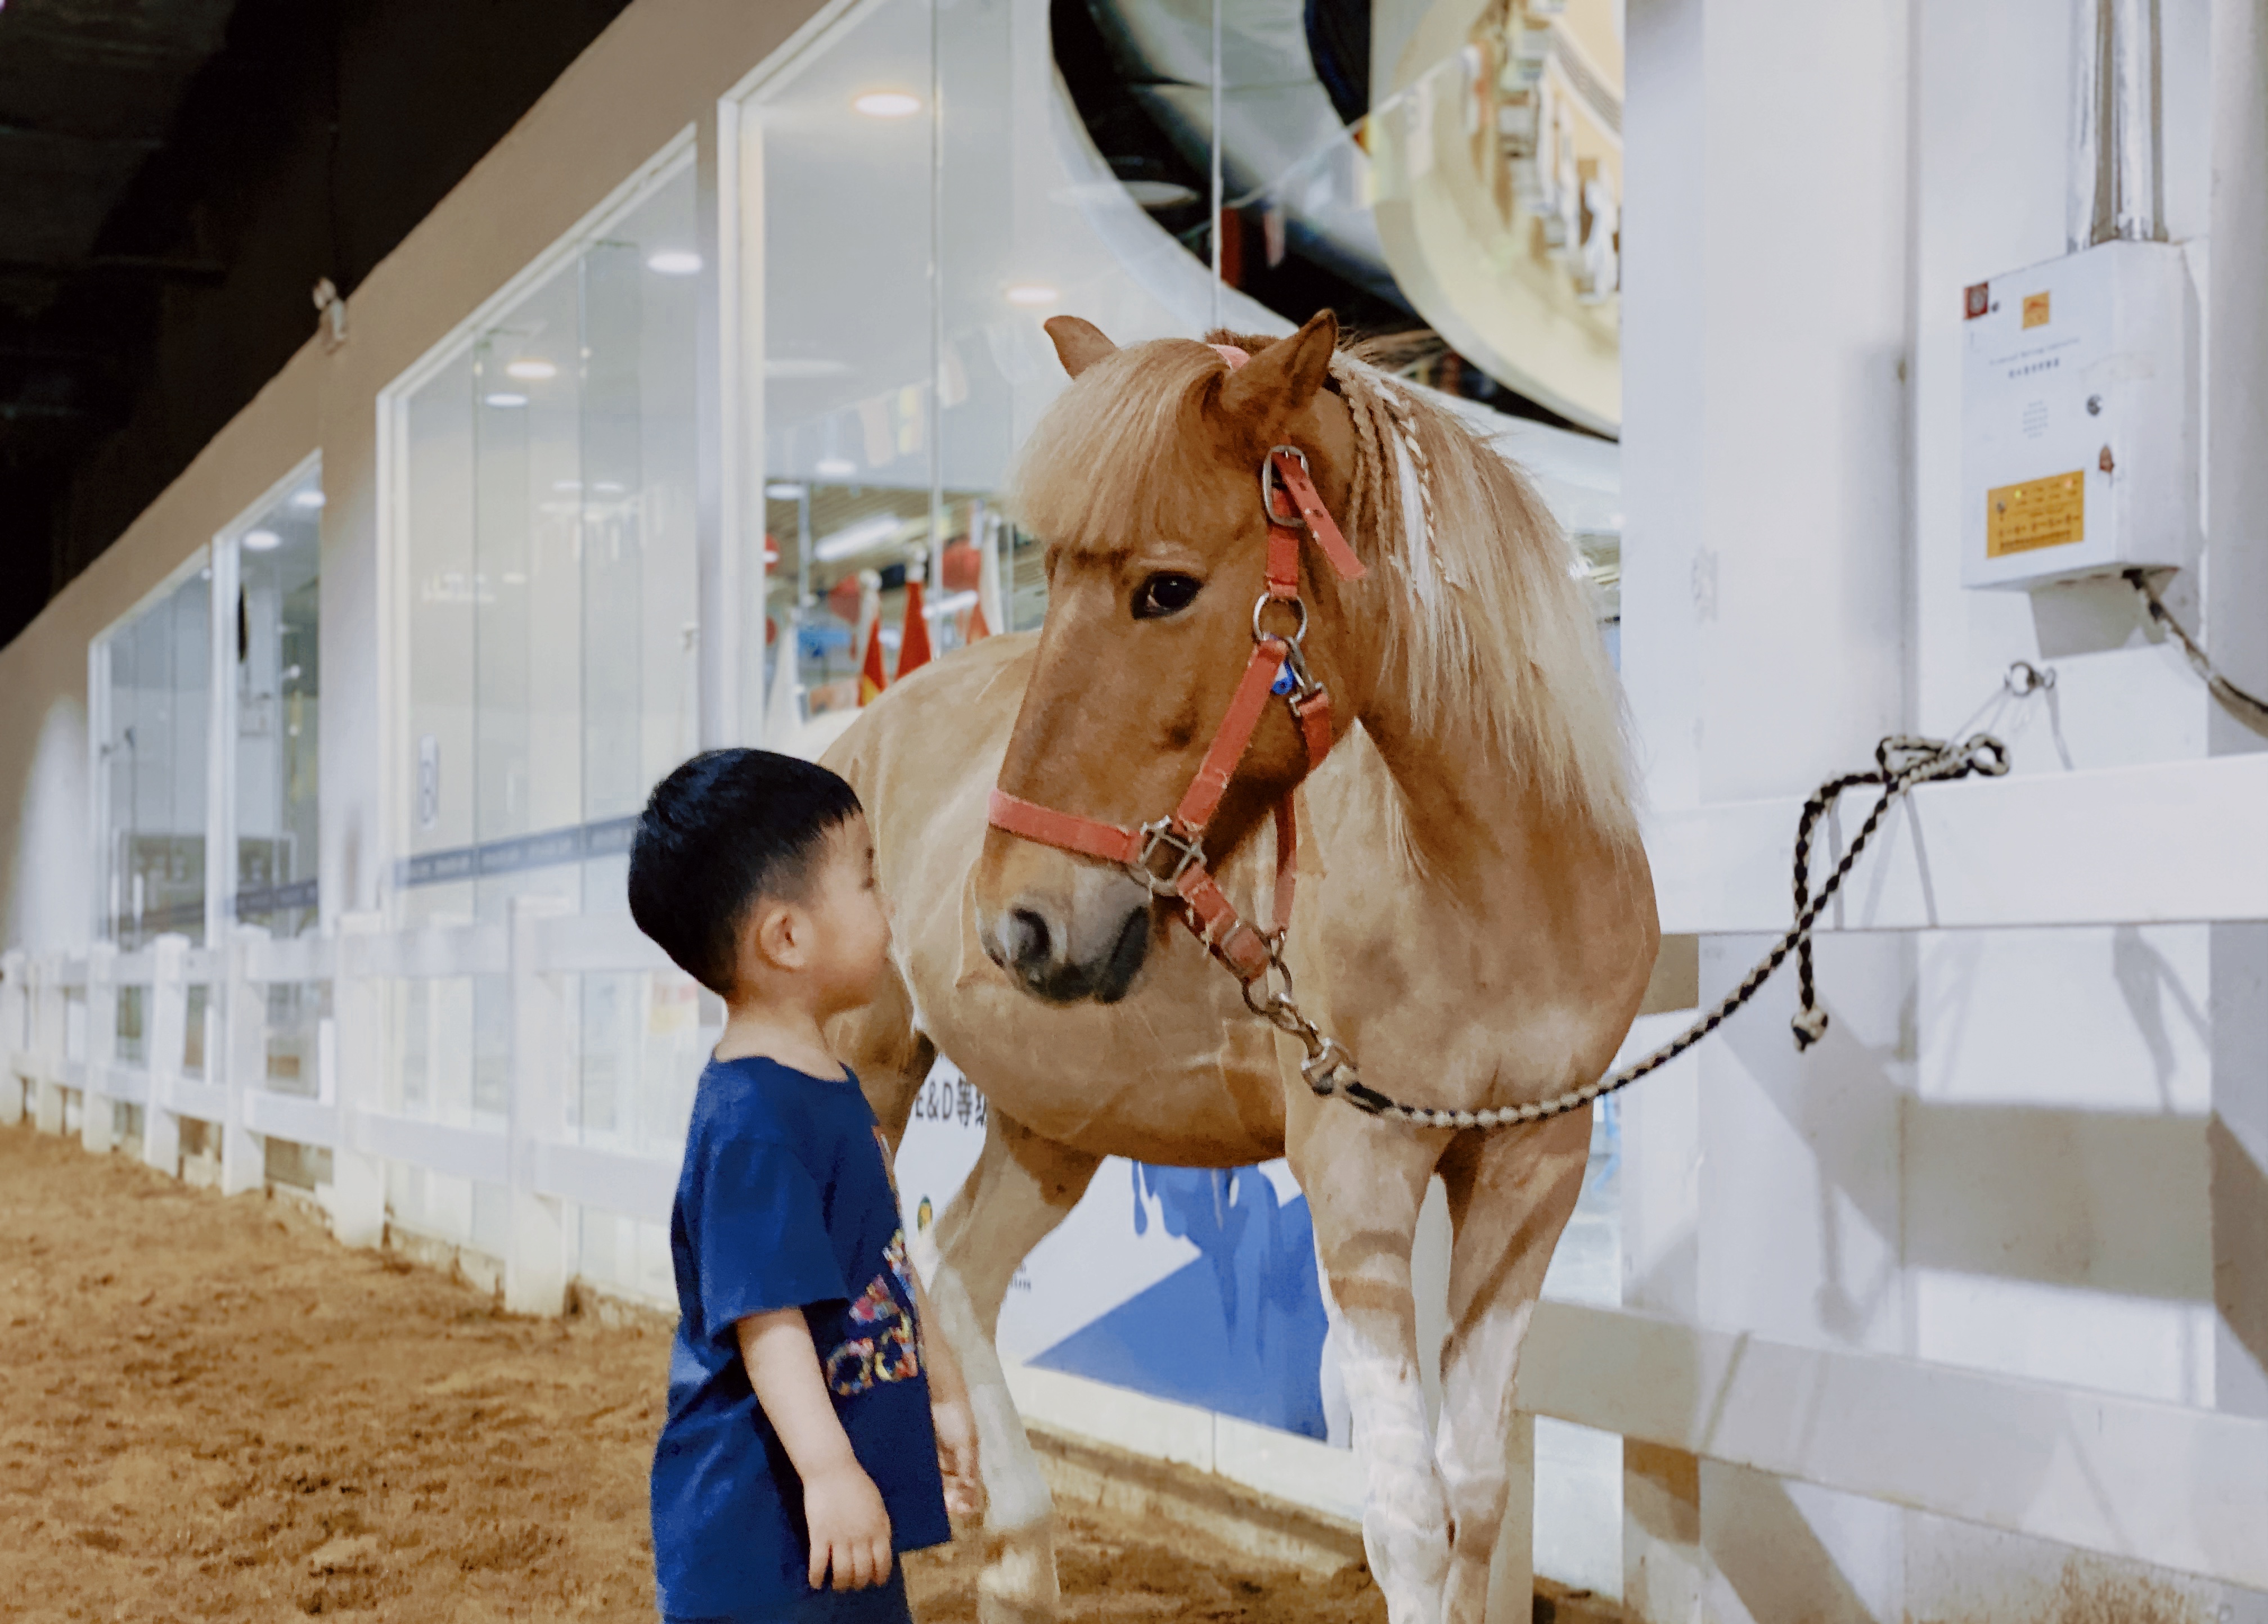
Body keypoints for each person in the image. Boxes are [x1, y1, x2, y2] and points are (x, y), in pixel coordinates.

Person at [629, 748, 982, 1623]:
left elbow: (887, 1257)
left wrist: (944, 1389)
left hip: (836, 1502)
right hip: (765, 1525)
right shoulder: (753, 1120)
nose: (889, 905)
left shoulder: (829, 1087)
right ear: (787, 937)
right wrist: (827, 1473)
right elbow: (769, 1325)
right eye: (867, 881)